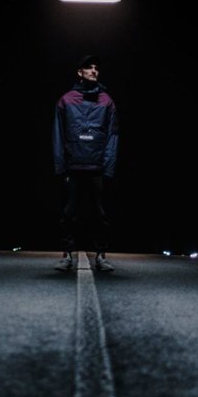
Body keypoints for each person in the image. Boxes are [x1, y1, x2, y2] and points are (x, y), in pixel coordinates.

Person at [52, 54, 119, 273]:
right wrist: (60, 166)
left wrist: (108, 166)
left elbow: (112, 136)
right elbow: (58, 135)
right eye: (88, 68)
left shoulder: (107, 101)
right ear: (80, 73)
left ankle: (101, 255)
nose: (94, 71)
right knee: (68, 213)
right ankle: (67, 255)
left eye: (96, 68)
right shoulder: (66, 100)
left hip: (97, 167)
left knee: (101, 215)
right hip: (73, 166)